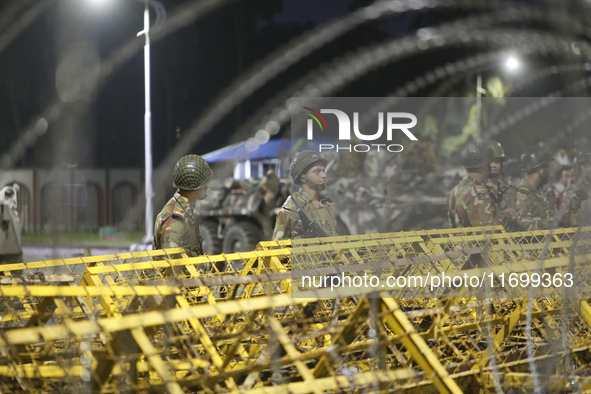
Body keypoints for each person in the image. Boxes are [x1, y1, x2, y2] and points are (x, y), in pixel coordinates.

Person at [153, 154, 213, 260]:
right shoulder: (175, 219)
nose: (207, 186)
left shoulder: (185, 210)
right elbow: (170, 267)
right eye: (205, 183)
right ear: (197, 187)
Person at [448, 140, 518, 229]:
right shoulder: (476, 192)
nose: (493, 165)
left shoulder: (456, 189)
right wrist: (508, 216)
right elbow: (486, 233)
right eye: (490, 161)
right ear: (485, 165)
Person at [273, 151, 339, 240]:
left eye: (323, 171)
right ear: (302, 177)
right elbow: (277, 247)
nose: (323, 175)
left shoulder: (327, 204)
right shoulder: (291, 208)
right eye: (317, 171)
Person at [515, 147, 555, 230]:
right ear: (540, 170)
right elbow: (526, 226)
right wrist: (553, 221)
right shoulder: (524, 195)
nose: (548, 170)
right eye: (547, 167)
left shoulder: (537, 191)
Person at [486, 140, 519, 213]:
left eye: (497, 161)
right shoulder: (476, 189)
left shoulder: (511, 186)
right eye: (490, 162)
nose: (494, 165)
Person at [564, 145, 591, 227]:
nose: (589, 169)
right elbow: (565, 221)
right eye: (586, 165)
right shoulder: (573, 190)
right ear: (581, 167)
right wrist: (582, 212)